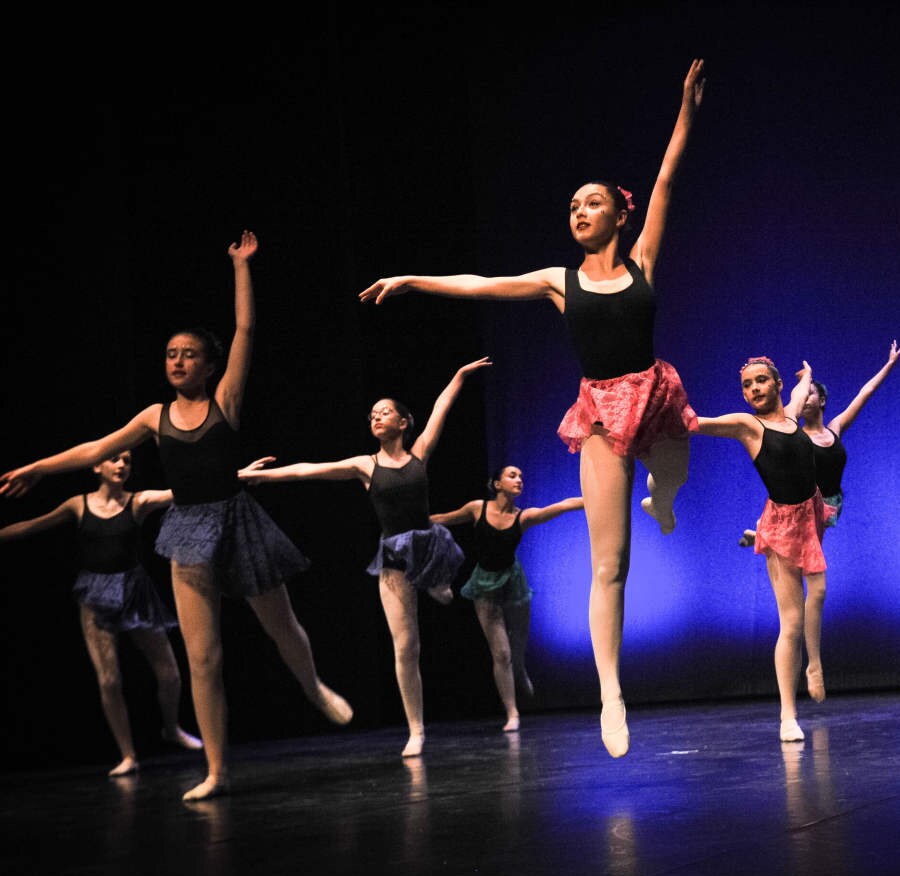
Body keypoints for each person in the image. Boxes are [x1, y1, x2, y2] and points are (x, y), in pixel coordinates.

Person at [359, 61, 706, 757]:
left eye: (591, 203)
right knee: (609, 564)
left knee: (670, 482)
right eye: (571, 206)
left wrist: (685, 111)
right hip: (603, 415)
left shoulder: (642, 258)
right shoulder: (557, 280)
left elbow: (667, 175)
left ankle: (661, 499)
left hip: (655, 394)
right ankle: (612, 692)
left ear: (618, 211)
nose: (578, 212)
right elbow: (482, 285)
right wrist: (414, 280)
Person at [1, 231, 353, 799]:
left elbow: (245, 331)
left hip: (238, 521)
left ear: (209, 366)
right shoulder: (153, 416)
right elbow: (95, 448)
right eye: (171, 354)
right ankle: (216, 769)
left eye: (189, 354)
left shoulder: (225, 401)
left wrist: (242, 267)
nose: (178, 361)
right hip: (188, 530)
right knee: (203, 656)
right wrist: (40, 467)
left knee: (280, 625)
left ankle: (312, 686)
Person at [237, 359, 490, 756]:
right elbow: (310, 471)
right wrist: (255, 477)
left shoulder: (420, 451)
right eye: (372, 413)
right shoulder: (364, 466)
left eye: (385, 411)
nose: (376, 416)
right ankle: (416, 729)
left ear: (404, 423)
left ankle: (436, 583)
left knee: (436, 567)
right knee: (407, 646)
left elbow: (442, 406)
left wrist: (458, 375)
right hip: (393, 559)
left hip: (427, 546)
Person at [0, 451, 202, 776]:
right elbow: (31, 528)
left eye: (128, 460)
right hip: (95, 593)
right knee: (109, 679)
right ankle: (128, 755)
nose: (122, 465)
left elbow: (187, 491)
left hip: (134, 591)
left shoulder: (138, 501)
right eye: (114, 459)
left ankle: (171, 728)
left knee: (170, 674)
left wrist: (239, 474)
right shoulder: (77, 505)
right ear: (96, 466)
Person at [697, 358, 830, 742]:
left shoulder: (790, 416)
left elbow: (802, 390)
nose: (753, 389)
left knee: (818, 594)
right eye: (746, 385)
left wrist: (805, 376)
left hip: (812, 513)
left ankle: (815, 664)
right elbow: (701, 424)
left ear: (776, 383)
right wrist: (665, 410)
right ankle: (788, 715)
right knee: (791, 621)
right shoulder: (748, 426)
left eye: (760, 381)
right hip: (784, 524)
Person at [431, 465, 583, 733]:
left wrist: (598, 496)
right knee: (501, 653)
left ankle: (521, 667)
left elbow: (561, 506)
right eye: (512, 476)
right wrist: (411, 520)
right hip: (485, 584)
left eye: (522, 477)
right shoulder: (477, 508)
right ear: (497, 484)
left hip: (513, 581)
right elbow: (445, 518)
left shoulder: (523, 517)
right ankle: (512, 712)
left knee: (518, 642)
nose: (519, 480)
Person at [740, 341, 900, 545]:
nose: (805, 398)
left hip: (832, 502)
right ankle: (769, 532)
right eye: (803, 395)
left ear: (822, 400)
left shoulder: (835, 427)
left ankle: (768, 535)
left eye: (810, 394)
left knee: (810, 546)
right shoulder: (794, 436)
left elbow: (865, 393)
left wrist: (889, 364)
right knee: (805, 545)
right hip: (804, 504)